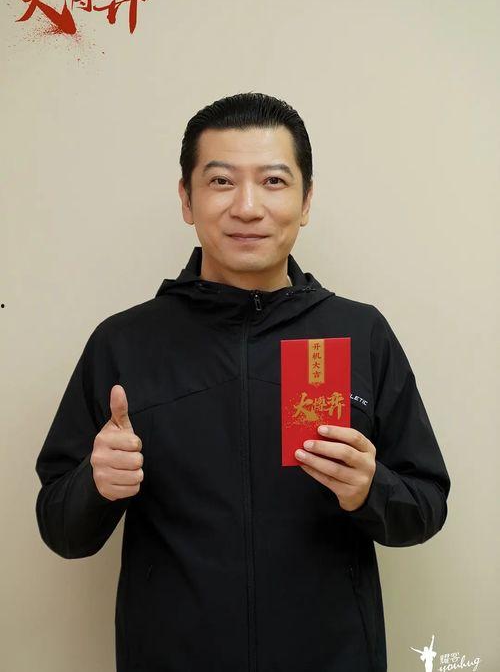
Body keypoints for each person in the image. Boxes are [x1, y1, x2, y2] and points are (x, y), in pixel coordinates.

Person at [35, 92, 451, 672]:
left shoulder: (360, 333)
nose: (248, 207)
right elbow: (61, 529)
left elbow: (426, 506)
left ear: (306, 201)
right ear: (187, 199)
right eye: (222, 181)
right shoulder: (123, 343)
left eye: (274, 181)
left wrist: (369, 489)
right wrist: (96, 484)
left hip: (333, 657)